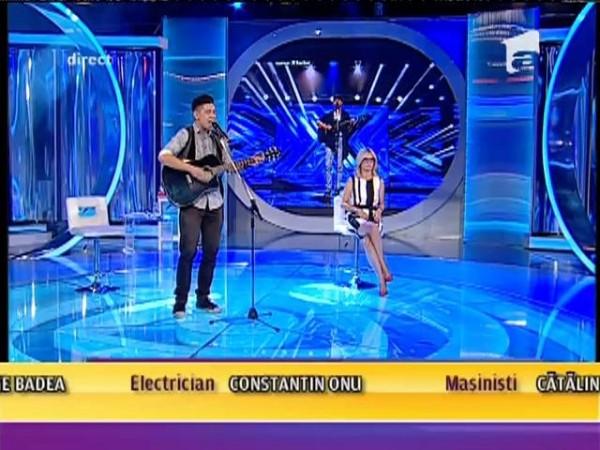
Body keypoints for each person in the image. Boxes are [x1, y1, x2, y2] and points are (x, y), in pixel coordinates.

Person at [158, 94, 256, 319]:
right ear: (196, 114)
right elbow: (164, 156)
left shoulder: (219, 140)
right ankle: (180, 302)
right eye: (207, 112)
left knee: (211, 252)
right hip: (192, 201)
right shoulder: (186, 134)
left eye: (214, 111)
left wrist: (251, 161)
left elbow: (227, 167)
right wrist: (192, 170)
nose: (212, 116)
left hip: (215, 202)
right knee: (188, 252)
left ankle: (203, 298)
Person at [340, 148, 392, 297]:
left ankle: (381, 281)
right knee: (371, 227)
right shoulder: (353, 180)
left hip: (373, 216)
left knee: (368, 242)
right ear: (360, 162)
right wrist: (357, 210)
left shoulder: (379, 182)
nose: (369, 164)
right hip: (356, 218)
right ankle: (384, 268)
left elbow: (381, 204)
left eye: (372, 160)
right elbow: (344, 203)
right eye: (366, 160)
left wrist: (379, 211)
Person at [316, 95, 355, 200]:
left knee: (339, 166)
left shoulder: (345, 115)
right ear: (333, 103)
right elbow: (318, 121)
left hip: (341, 141)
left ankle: (337, 188)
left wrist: (352, 123)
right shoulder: (329, 115)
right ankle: (328, 188)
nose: (337, 103)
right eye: (335, 101)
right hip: (330, 142)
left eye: (339, 101)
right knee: (328, 165)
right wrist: (325, 126)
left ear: (342, 103)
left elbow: (350, 126)